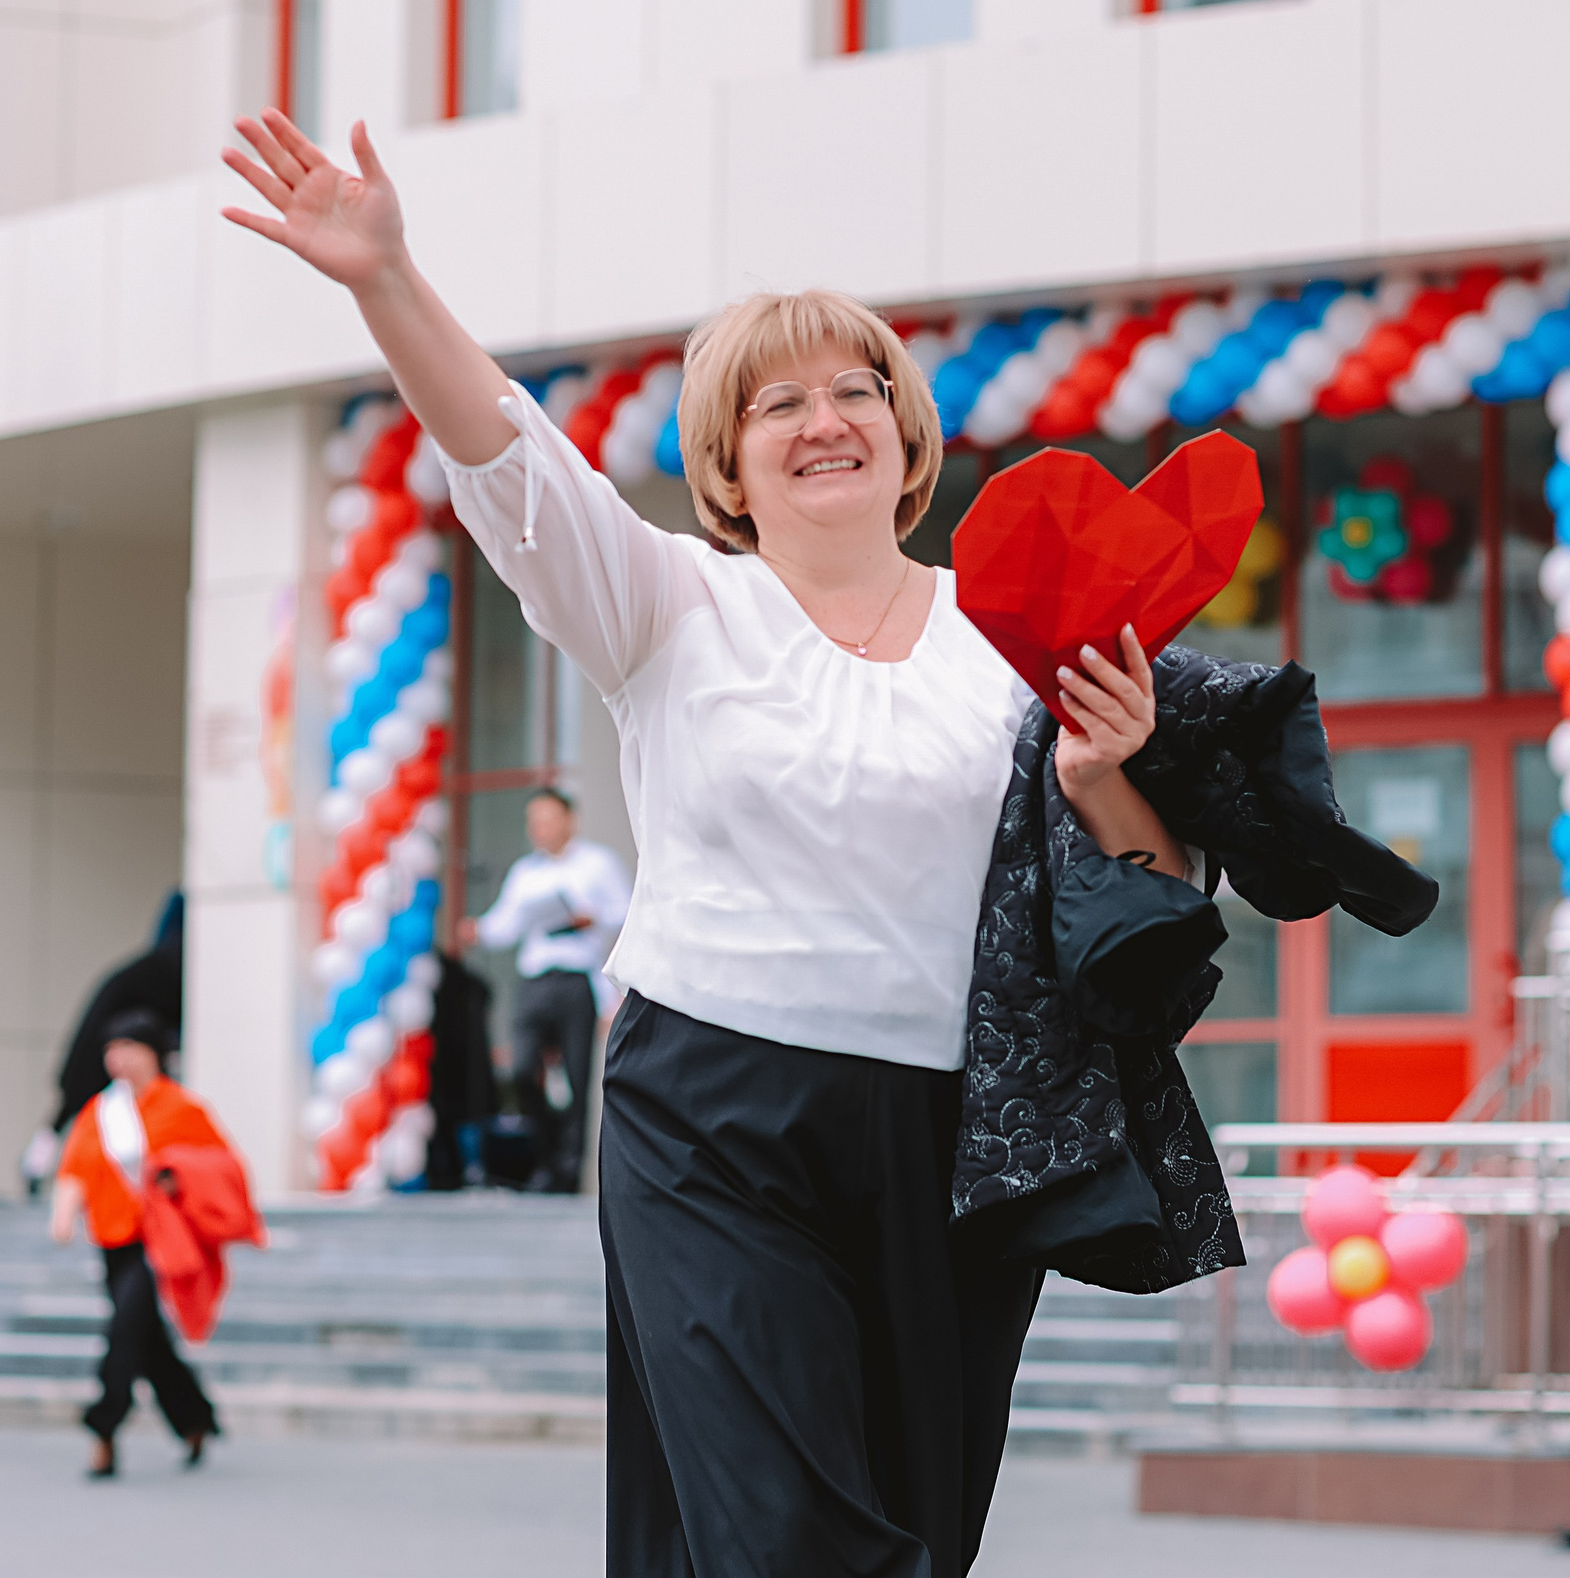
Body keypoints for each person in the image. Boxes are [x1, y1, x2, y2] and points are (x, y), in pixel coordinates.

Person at [225, 112, 1191, 1575]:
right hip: (714, 1114)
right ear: (729, 461)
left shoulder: (1005, 639)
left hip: (952, 1131)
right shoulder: (669, 603)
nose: (822, 419)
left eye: (853, 388)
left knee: (914, 1524)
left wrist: (1110, 771)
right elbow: (513, 459)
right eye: (775, 402)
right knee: (790, 1533)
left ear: (905, 429)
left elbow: (1150, 903)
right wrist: (386, 278)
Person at [50, 1010, 243, 1479]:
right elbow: (76, 1166)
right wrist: (64, 1212)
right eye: (112, 1050)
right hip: (113, 1236)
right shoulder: (101, 1111)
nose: (118, 1059)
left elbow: (217, 1166)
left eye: (127, 1048)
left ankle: (104, 1428)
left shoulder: (181, 1108)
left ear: (151, 1053)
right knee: (147, 1339)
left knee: (124, 1329)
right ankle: (194, 1418)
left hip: (159, 1238)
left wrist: (178, 1177)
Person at [459, 787, 629, 1192]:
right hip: (536, 980)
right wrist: (477, 930)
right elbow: (506, 924)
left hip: (577, 979)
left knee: (576, 1075)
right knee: (521, 1069)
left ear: (569, 820)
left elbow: (626, 913)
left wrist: (594, 919)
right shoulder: (525, 872)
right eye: (534, 822)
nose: (541, 829)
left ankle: (568, 1171)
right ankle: (545, 1156)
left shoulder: (598, 864)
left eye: (549, 819)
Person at [24, 891, 184, 1193]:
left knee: (70, 1111)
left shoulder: (148, 970)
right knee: (81, 1113)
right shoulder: (166, 971)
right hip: (101, 1043)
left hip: (102, 1034)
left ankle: (37, 1165)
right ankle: (38, 1166)